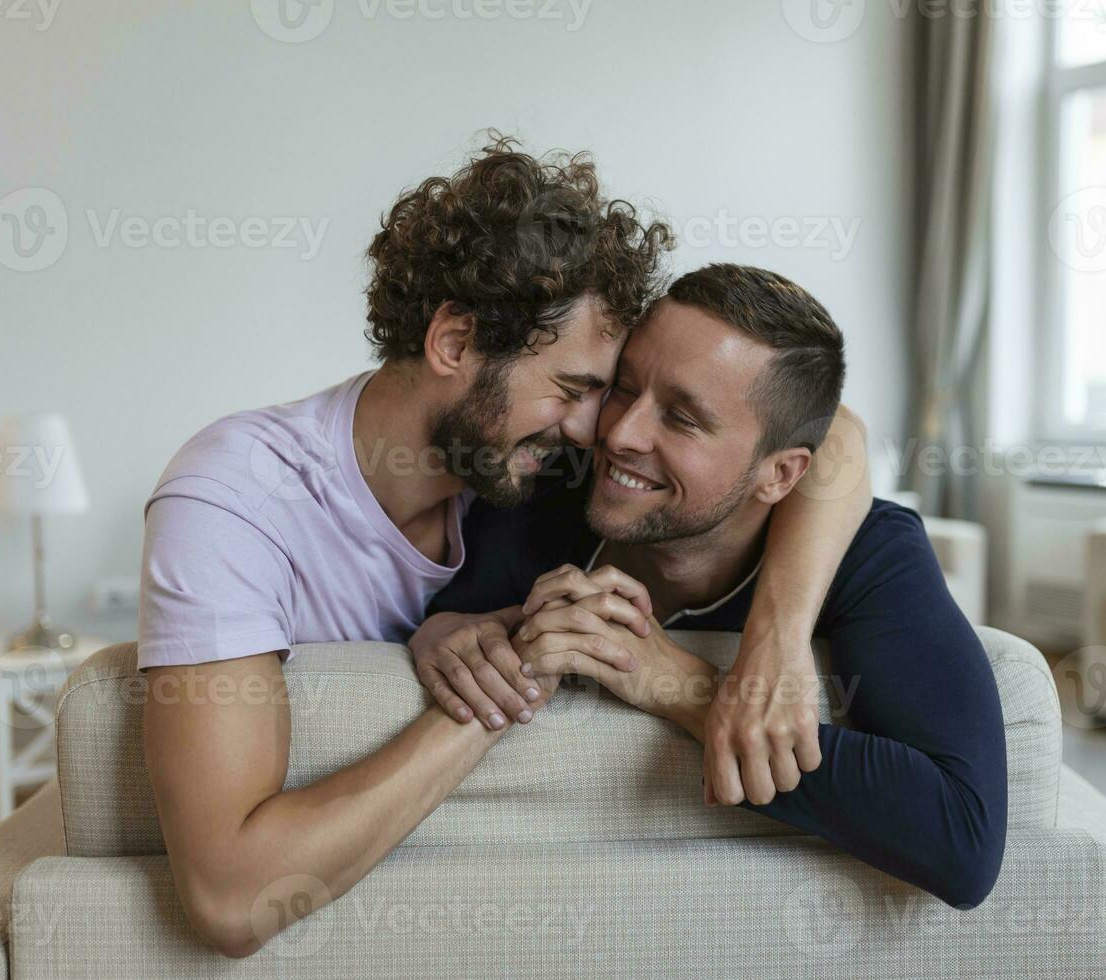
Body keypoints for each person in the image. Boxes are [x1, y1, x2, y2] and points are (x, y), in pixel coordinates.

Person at [138, 139, 868, 958]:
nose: (603, 432)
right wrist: (510, 682)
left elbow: (827, 427)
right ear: (454, 341)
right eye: (575, 389)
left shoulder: (527, 472)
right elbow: (232, 899)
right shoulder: (236, 500)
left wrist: (777, 641)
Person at [425, 263, 1008, 908]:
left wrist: (676, 684)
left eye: (683, 418)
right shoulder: (540, 493)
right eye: (625, 387)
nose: (619, 434)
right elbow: (438, 622)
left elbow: (963, 844)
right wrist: (444, 632)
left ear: (782, 474)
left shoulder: (871, 554)